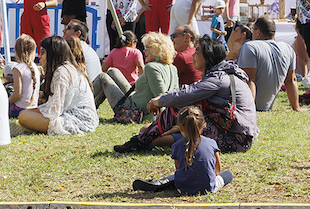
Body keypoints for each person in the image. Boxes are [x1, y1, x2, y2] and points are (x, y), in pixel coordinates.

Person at [114, 36, 258, 154]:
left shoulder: (219, 78)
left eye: (197, 52)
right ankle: (144, 139)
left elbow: (186, 94)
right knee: (151, 128)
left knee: (180, 108)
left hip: (234, 140)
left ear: (208, 56)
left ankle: (139, 142)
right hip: (235, 135)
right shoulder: (222, 75)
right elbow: (188, 90)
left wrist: (159, 101)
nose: (193, 55)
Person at [132, 107, 234, 194]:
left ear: (180, 128)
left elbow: (178, 169)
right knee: (228, 174)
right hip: (208, 188)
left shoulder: (177, 145)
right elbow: (218, 170)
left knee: (179, 176)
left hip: (182, 189)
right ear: (203, 125)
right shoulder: (211, 142)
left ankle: (163, 182)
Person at [17, 36, 100, 135]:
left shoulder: (61, 72)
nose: (39, 56)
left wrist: (31, 113)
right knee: (25, 114)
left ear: (52, 53)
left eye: (43, 51)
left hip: (78, 121)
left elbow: (54, 111)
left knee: (24, 117)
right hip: (79, 117)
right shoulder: (65, 68)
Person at [96, 32, 179, 122]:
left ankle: (86, 107)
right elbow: (173, 95)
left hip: (136, 112)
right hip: (136, 101)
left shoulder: (151, 67)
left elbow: (161, 96)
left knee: (102, 77)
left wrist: (162, 121)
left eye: (147, 47)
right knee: (113, 71)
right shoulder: (173, 68)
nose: (144, 50)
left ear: (156, 50)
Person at [237, 16, 297, 112]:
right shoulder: (288, 49)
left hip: (249, 105)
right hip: (266, 106)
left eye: (253, 30)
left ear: (258, 32)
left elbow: (249, 80)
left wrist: (248, 111)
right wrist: (296, 107)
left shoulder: (250, 47)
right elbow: (291, 81)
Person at [7, 35, 41, 118]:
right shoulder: (35, 67)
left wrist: (6, 101)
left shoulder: (18, 68)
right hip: (33, 107)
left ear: (16, 50)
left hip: (20, 108)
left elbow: (17, 95)